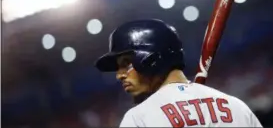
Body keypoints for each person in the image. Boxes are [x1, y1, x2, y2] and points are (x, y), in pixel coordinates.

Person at [94, 19, 263, 127]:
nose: (120, 75)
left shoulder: (139, 118)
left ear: (152, 59)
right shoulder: (237, 107)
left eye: (125, 64)